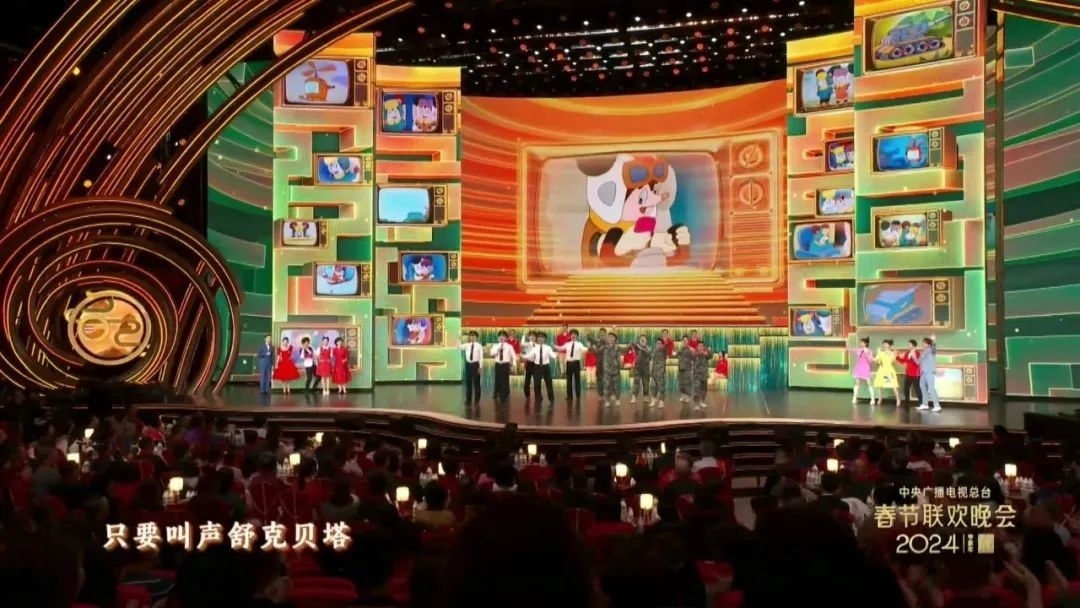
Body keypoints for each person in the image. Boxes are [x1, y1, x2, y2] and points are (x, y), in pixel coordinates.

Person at [591, 332, 622, 406]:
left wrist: (619, 366)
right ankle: (607, 400)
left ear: (615, 339)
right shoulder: (604, 347)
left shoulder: (617, 347)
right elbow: (597, 352)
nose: (610, 338)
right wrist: (593, 347)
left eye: (612, 337)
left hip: (615, 370)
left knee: (616, 386)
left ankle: (617, 399)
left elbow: (619, 358)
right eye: (609, 337)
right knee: (606, 386)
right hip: (606, 370)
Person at [525, 332, 556, 405]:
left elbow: (552, 355)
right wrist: (522, 356)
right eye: (539, 337)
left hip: (546, 367)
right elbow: (529, 356)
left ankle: (551, 399)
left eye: (542, 337)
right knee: (536, 384)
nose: (540, 339)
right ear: (537, 339)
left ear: (544, 339)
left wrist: (555, 355)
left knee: (549, 383)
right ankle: (538, 398)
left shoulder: (548, 347)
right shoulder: (535, 348)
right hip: (537, 367)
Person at [557, 329, 587, 402]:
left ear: (577, 336)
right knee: (569, 380)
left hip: (576, 363)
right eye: (572, 334)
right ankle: (569, 396)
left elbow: (584, 349)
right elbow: (560, 348)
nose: (573, 335)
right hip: (569, 363)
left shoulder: (579, 344)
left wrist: (589, 348)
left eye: (575, 334)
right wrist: (554, 346)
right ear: (570, 336)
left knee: (577, 380)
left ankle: (578, 395)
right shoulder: (567, 344)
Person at [490, 330, 516, 405]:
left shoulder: (509, 346)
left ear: (506, 338)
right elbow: (491, 354)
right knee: (497, 379)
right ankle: (496, 392)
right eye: (500, 336)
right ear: (498, 338)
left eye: (503, 336)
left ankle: (504, 395)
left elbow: (514, 356)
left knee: (505, 380)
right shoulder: (495, 346)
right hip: (498, 364)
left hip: (505, 365)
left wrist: (514, 365)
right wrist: (497, 350)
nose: (501, 338)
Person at [873, 339, 900, 406]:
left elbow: (893, 361)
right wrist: (875, 355)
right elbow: (875, 360)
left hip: (889, 370)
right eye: (884, 344)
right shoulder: (881, 352)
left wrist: (894, 353)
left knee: (893, 385)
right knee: (880, 385)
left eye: (886, 344)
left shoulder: (892, 353)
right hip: (882, 370)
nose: (885, 345)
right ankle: (880, 399)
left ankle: (898, 400)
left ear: (889, 345)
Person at [896, 339, 922, 407]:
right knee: (906, 388)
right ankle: (907, 403)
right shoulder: (907, 353)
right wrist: (897, 356)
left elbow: (918, 363)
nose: (908, 345)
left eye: (909, 344)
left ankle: (921, 403)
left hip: (915, 374)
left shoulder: (918, 353)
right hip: (908, 374)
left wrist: (914, 356)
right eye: (908, 344)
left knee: (917, 389)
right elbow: (902, 361)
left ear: (913, 346)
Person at [917, 334, 941, 411]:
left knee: (931, 388)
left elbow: (934, 349)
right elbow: (918, 362)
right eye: (923, 343)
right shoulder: (922, 352)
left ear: (929, 345)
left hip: (930, 372)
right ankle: (925, 404)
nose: (923, 344)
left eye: (925, 343)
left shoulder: (931, 350)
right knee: (922, 386)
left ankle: (937, 405)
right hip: (923, 372)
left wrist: (933, 341)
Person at [460, 331, 483, 406]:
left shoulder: (479, 346)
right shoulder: (466, 345)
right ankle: (468, 400)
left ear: (476, 337)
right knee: (468, 383)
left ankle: (477, 399)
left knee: (476, 383)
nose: (472, 337)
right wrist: (458, 339)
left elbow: (481, 357)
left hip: (476, 365)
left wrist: (480, 367)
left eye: (474, 336)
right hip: (468, 365)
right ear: (469, 337)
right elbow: (458, 347)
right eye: (471, 336)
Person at [851, 337, 875, 404]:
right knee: (856, 383)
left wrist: (866, 353)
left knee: (869, 383)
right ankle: (854, 398)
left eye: (862, 342)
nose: (861, 343)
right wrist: (846, 343)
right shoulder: (858, 350)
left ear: (866, 343)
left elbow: (871, 361)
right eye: (860, 342)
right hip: (858, 368)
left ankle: (872, 399)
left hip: (866, 368)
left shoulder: (869, 351)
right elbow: (849, 349)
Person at [629, 334, 651, 404]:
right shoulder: (636, 347)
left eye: (644, 339)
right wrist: (634, 344)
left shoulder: (649, 348)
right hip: (637, 368)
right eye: (641, 339)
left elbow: (648, 354)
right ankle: (634, 397)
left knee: (646, 384)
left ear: (646, 341)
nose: (642, 340)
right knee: (636, 383)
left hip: (646, 369)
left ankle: (645, 397)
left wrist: (640, 347)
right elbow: (631, 343)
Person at [692, 341, 712, 408]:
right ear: (697, 347)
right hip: (696, 375)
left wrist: (709, 351)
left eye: (702, 346)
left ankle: (702, 401)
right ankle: (696, 404)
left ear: (703, 347)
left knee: (704, 390)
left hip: (704, 375)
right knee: (696, 390)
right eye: (699, 346)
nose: (700, 347)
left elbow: (711, 356)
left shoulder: (706, 354)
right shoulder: (695, 354)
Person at [649, 337, 668, 407]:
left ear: (662, 345)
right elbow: (650, 358)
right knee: (652, 386)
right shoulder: (654, 351)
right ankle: (653, 400)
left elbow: (665, 349)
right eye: (657, 343)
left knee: (661, 387)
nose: (658, 344)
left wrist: (665, 344)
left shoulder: (663, 350)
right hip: (654, 372)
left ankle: (661, 402)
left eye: (660, 343)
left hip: (661, 372)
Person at [676, 336, 694, 403]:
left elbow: (693, 357)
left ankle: (688, 397)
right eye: (683, 340)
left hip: (687, 368)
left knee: (687, 383)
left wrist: (692, 352)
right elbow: (676, 355)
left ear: (688, 341)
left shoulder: (690, 349)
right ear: (682, 341)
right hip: (680, 368)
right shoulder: (680, 349)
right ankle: (682, 396)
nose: (685, 341)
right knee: (681, 383)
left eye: (686, 340)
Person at [594, 327, 609, 398]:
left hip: (607, 364)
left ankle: (608, 394)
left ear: (605, 334)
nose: (601, 334)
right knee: (599, 380)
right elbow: (595, 352)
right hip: (599, 364)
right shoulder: (597, 343)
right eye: (600, 333)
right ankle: (600, 395)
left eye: (603, 333)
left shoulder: (608, 342)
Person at [522, 331, 537, 400]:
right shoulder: (527, 344)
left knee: (537, 380)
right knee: (527, 379)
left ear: (536, 337)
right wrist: (523, 336)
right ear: (529, 337)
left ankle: (537, 394)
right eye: (531, 336)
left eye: (534, 336)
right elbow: (522, 344)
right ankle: (527, 395)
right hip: (529, 363)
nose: (532, 337)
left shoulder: (537, 345)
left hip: (536, 363)